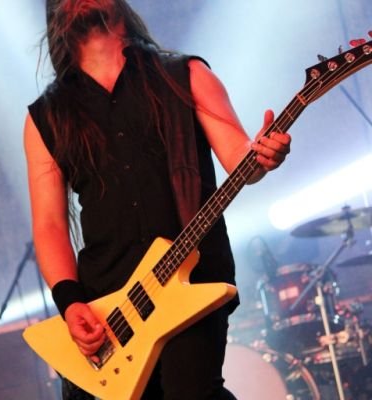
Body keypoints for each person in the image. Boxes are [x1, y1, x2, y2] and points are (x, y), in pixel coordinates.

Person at [24, 0, 291, 399]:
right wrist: (70, 301)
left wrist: (264, 155)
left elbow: (241, 161)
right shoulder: (46, 116)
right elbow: (48, 224)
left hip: (190, 277)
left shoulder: (186, 75)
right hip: (110, 306)